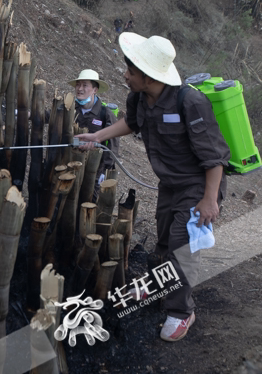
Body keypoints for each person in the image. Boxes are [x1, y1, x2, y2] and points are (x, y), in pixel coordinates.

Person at [76, 33, 231, 342]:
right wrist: (97, 136)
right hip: (170, 184)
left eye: (131, 71)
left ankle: (181, 311)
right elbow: (132, 124)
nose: (125, 75)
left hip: (199, 185)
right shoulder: (138, 98)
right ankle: (160, 284)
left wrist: (210, 200)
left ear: (149, 76)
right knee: (163, 240)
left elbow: (215, 158)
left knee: (181, 247)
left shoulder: (190, 102)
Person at [68, 69, 119, 200]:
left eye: (85, 85)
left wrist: (105, 171)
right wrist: (28, 114)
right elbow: (50, 115)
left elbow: (112, 145)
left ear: (95, 90)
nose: (79, 89)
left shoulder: (105, 113)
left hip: (95, 169)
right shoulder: (71, 107)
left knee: (88, 200)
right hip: (71, 163)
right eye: (78, 85)